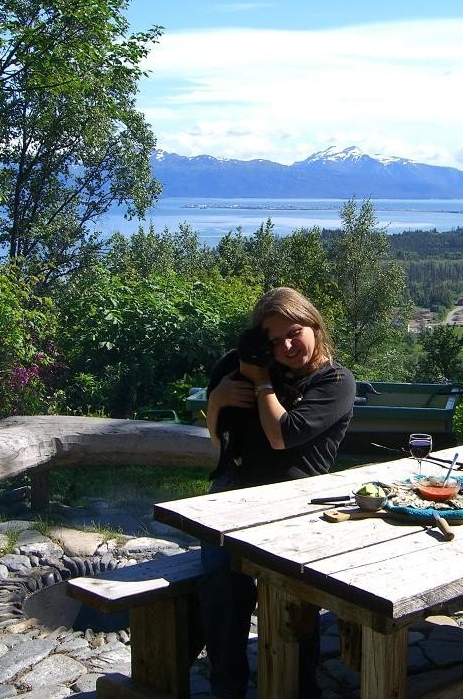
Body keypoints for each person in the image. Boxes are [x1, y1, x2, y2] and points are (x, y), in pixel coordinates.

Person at [199, 286, 356, 699]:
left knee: (292, 595)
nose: (286, 346)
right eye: (273, 340)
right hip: (234, 492)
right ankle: (226, 686)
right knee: (221, 584)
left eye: (295, 332)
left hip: (297, 502)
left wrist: (262, 382)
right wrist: (216, 401)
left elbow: (283, 436)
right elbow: (220, 445)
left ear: (314, 326)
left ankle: (298, 687)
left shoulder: (335, 382)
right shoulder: (249, 367)